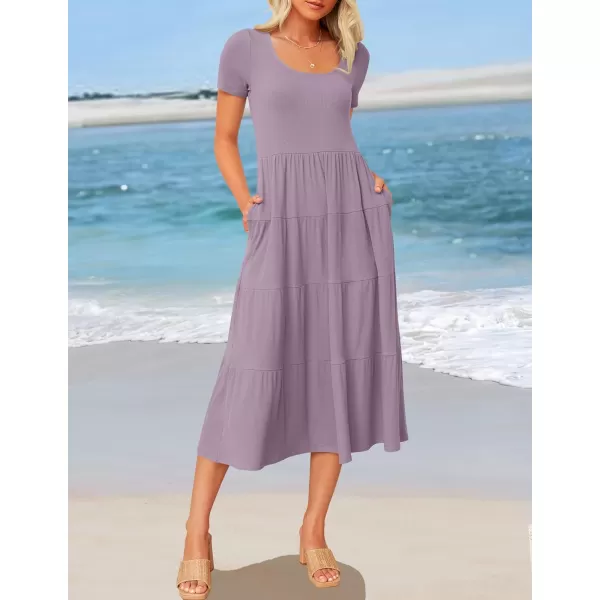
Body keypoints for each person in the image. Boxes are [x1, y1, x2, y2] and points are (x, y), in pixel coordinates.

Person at [177, 1, 408, 597]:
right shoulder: (245, 47)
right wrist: (246, 204)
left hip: (350, 219)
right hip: (279, 219)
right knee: (248, 366)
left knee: (337, 368)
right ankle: (197, 532)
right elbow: (224, 138)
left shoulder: (354, 56)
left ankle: (313, 529)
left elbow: (334, 136)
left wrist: (368, 177)